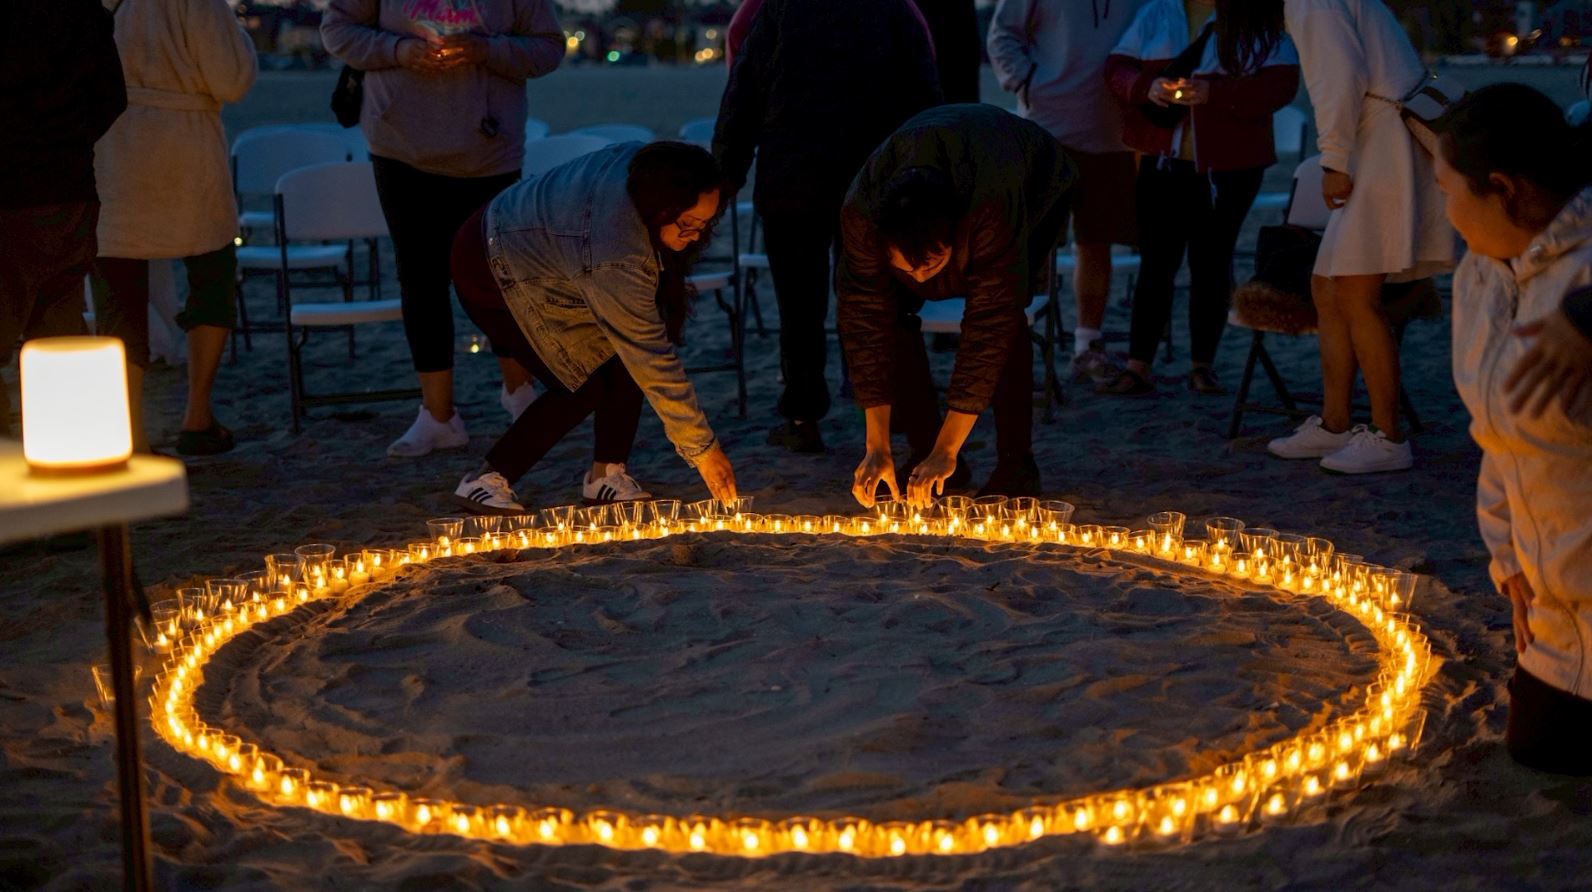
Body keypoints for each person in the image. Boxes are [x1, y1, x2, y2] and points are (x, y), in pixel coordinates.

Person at [322, 0, 563, 457]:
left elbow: (548, 49)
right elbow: (337, 31)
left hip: (489, 149)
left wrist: (486, 50)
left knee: (500, 279)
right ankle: (438, 417)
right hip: (399, 147)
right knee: (420, 280)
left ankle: (521, 396)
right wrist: (399, 50)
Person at [449, 142, 738, 512]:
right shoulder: (617, 251)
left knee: (621, 359)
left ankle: (606, 476)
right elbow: (650, 355)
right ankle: (485, 480)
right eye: (688, 224)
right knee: (580, 383)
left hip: (552, 256)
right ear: (661, 207)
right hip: (490, 264)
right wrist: (704, 450)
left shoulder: (645, 170)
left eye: (706, 223)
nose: (697, 236)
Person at [1437, 84, 1592, 775]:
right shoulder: (1479, 277)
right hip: (1554, 610)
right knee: (1538, 750)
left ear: (1502, 188)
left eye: (1447, 190)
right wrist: (1508, 561)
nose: (1444, 212)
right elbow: (1496, 436)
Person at [713, 0, 941, 455]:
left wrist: (726, 173)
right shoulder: (895, 10)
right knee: (878, 300)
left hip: (793, 181)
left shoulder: (777, 10)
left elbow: (743, 94)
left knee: (799, 308)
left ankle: (803, 417)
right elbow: (924, 94)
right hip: (873, 180)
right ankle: (887, 405)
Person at [838, 104, 1074, 507]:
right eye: (907, 268)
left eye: (931, 265)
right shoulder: (862, 216)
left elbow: (991, 322)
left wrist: (948, 447)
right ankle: (925, 452)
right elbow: (865, 324)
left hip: (1033, 178)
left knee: (1006, 319)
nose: (921, 278)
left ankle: (1015, 465)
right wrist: (876, 445)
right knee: (886, 317)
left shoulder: (989, 205)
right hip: (936, 174)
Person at [1264, 0, 1454, 474]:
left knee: (1354, 291)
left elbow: (1338, 79)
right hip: (1381, 136)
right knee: (1328, 287)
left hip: (1381, 144)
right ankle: (1335, 424)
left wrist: (1334, 161)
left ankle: (1389, 437)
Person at [1098, 0, 1299, 396]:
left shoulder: (1254, 19)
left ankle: (1201, 365)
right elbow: (1116, 68)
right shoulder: (1157, 11)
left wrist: (1215, 94)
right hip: (1162, 161)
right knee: (1156, 263)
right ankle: (1139, 365)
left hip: (1231, 167)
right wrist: (1147, 87)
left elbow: (1282, 86)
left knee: (1212, 263)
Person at [91, 0, 256, 456]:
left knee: (118, 293)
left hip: (111, 146)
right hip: (185, 149)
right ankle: (197, 415)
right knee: (212, 274)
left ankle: (131, 434)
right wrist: (240, 39)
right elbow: (232, 79)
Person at [988, 0, 1146, 386]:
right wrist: (1026, 81)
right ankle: (1010, 342)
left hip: (1113, 134)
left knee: (1097, 243)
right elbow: (1002, 34)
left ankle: (1086, 345)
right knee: (1031, 244)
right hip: (1047, 128)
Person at [0, 0, 125, 435]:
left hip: (11, 193)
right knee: (59, 331)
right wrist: (70, 141)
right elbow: (113, 98)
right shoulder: (83, 11)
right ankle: (63, 445)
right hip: (70, 190)